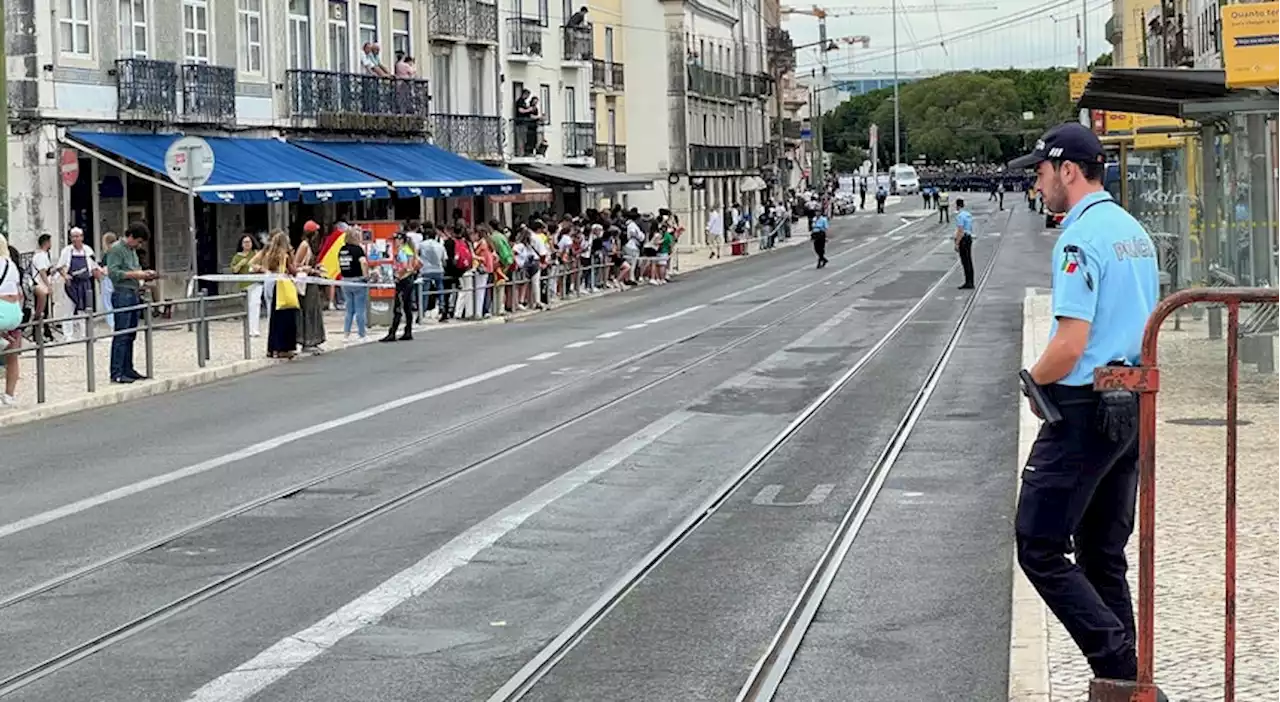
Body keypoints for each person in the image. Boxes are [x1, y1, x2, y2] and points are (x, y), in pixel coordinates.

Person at [1009, 122, 1166, 699]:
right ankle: (1130, 675)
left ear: (1067, 171)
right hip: (1131, 406)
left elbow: (1070, 343)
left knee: (1040, 544)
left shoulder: (1078, 240)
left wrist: (1031, 378)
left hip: (1083, 407)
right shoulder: (1132, 231)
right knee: (1103, 552)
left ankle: (1117, 660)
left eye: (1042, 172)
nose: (1039, 182)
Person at [102, 222, 158, 383]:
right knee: (122, 333)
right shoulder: (116, 249)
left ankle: (128, 368)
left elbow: (135, 268)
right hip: (122, 293)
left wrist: (145, 274)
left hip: (133, 293)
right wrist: (136, 274)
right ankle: (117, 372)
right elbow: (114, 273)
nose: (139, 245)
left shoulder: (132, 251)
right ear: (131, 236)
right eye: (138, 241)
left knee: (131, 334)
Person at [255, 230, 298, 359]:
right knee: (286, 319)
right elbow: (292, 270)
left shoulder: (269, 255)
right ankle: (284, 348)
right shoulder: (285, 255)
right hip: (283, 288)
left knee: (274, 319)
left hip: (272, 286)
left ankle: (272, 348)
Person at [56, 227, 100, 341]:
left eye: (78, 236)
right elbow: (59, 267)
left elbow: (94, 266)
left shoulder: (88, 250)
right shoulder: (67, 251)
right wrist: (65, 276)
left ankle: (84, 334)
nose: (76, 239)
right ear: (71, 238)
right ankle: (68, 335)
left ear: (82, 237)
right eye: (74, 236)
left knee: (84, 309)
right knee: (68, 310)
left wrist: (99, 278)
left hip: (85, 283)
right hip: (72, 283)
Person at [382, 231, 419, 341]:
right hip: (409, 279)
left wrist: (398, 276)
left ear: (401, 240)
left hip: (403, 281)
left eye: (397, 240)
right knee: (407, 307)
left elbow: (404, 266)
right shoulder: (410, 250)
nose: (395, 242)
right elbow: (416, 264)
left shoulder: (402, 251)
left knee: (398, 306)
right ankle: (408, 331)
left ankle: (392, 332)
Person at [0, 236, 23, 406]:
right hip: (14, 313)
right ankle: (9, 395)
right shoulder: (11, 265)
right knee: (12, 358)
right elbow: (17, 291)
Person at [337, 227, 369, 343]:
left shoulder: (342, 250)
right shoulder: (358, 249)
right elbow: (364, 262)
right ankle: (362, 334)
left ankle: (346, 334)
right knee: (360, 309)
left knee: (349, 309)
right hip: (357, 280)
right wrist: (366, 276)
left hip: (345, 280)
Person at [230, 234, 262, 338]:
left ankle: (255, 329)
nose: (247, 244)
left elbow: (263, 265)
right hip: (244, 285)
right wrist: (241, 264)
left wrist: (258, 268)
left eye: (249, 242)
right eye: (245, 242)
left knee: (256, 305)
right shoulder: (237, 256)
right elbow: (234, 270)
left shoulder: (256, 254)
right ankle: (249, 329)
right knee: (248, 307)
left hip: (256, 282)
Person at [953, 198, 975, 290]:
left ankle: (968, 283)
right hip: (969, 238)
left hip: (964, 239)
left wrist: (957, 243)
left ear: (957, 206)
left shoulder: (960, 216)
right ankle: (971, 281)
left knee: (965, 261)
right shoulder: (968, 214)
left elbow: (960, 230)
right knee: (969, 260)